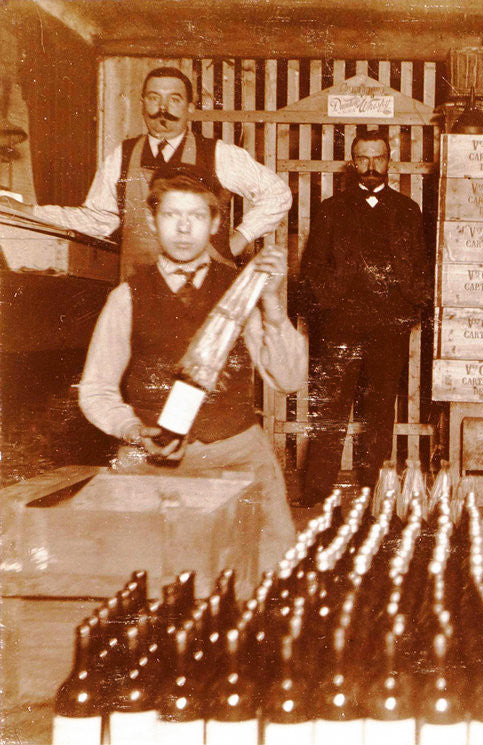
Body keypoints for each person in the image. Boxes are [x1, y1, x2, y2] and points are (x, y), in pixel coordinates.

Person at [78, 164, 305, 573]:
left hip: (237, 458)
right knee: (142, 592)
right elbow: (96, 390)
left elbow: (289, 380)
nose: (184, 229)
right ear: (152, 220)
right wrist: (131, 430)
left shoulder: (241, 288)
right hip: (153, 465)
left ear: (216, 222)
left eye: (197, 216)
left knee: (262, 585)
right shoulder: (126, 297)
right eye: (171, 215)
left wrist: (272, 303)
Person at [2, 66, 291, 279]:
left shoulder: (218, 153)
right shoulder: (122, 155)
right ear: (142, 104)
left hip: (209, 289)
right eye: (154, 98)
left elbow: (277, 194)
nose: (162, 109)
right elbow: (97, 219)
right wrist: (31, 211)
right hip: (140, 288)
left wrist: (238, 239)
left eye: (174, 100)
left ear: (190, 107)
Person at [295, 129, 431, 504]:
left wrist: (408, 308)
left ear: (389, 161)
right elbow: (312, 271)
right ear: (353, 162)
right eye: (363, 158)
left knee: (380, 410)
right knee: (332, 408)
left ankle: (373, 488)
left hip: (388, 329)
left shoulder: (407, 211)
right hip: (340, 327)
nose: (371, 167)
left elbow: (420, 268)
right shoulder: (331, 209)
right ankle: (315, 491)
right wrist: (326, 310)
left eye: (379, 158)